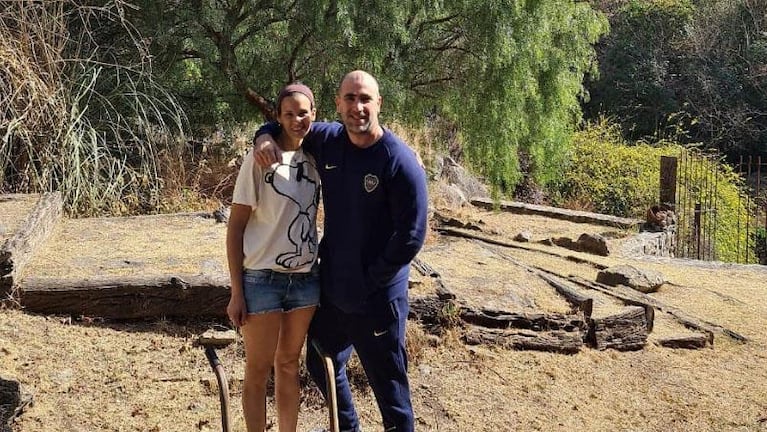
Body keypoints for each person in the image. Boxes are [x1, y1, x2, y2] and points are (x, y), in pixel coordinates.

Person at [253, 70, 428, 432]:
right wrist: (262, 136)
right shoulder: (329, 140)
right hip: (333, 291)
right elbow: (289, 124)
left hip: (377, 298)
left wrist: (370, 281)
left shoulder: (399, 161)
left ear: (379, 103)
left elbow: (411, 236)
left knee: (390, 392)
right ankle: (346, 428)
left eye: (365, 99)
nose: (357, 107)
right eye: (350, 98)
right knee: (321, 361)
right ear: (337, 104)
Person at [226, 82, 321, 432]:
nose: (297, 119)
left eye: (303, 112)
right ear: (278, 118)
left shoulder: (317, 155)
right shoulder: (261, 158)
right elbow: (235, 227)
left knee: (289, 365)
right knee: (257, 369)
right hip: (261, 279)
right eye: (289, 114)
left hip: (305, 280)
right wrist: (237, 291)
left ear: (314, 112)